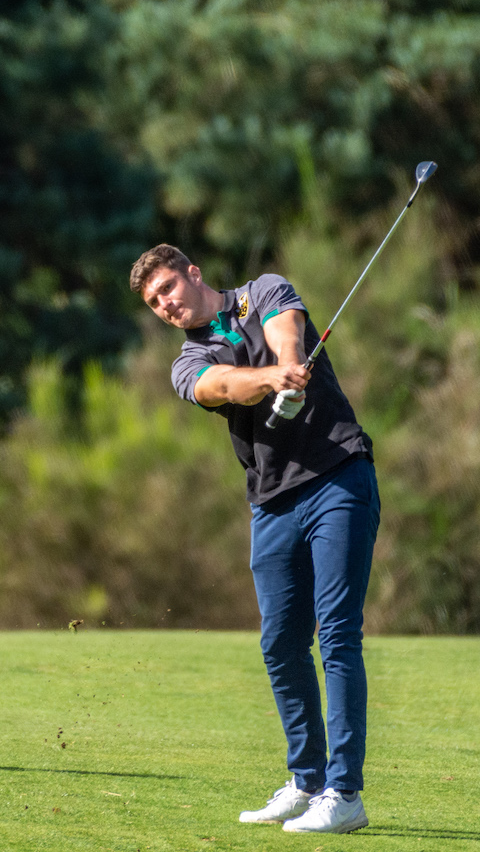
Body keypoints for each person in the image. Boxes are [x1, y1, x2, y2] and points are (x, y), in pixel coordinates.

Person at [129, 243, 380, 835]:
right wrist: (270, 380)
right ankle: (306, 781)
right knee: (280, 644)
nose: (165, 305)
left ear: (193, 273)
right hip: (271, 502)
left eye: (168, 288)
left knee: (337, 633)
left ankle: (344, 794)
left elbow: (285, 328)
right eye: (154, 302)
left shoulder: (261, 289)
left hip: (337, 476)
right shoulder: (187, 361)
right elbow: (220, 386)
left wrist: (289, 367)